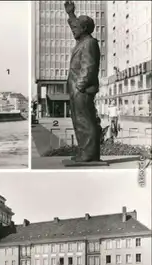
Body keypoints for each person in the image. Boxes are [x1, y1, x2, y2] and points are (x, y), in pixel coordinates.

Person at [65, 0, 102, 162]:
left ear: (84, 29)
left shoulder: (90, 43)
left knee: (85, 121)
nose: (73, 30)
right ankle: (83, 151)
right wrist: (71, 14)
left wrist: (79, 86)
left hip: (82, 89)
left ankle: (89, 154)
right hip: (77, 89)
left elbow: (89, 67)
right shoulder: (83, 41)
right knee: (79, 121)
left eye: (76, 27)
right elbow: (76, 25)